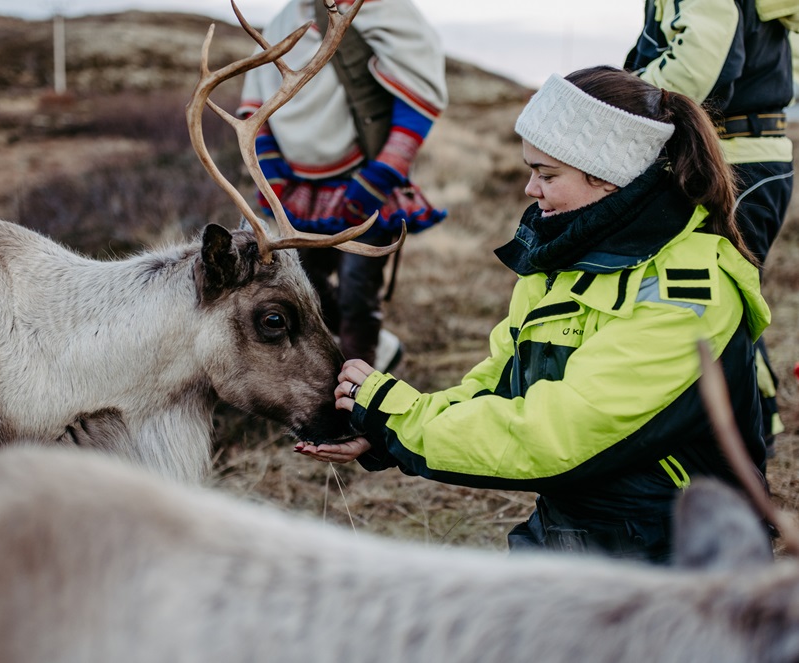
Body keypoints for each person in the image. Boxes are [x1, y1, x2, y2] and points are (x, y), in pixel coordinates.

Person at [295, 66, 773, 564]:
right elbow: (497, 389)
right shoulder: (561, 260)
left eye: (547, 174)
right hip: (582, 532)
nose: (529, 189)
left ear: (610, 176)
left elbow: (554, 435)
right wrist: (383, 433)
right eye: (530, 170)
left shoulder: (688, 294)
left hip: (685, 556)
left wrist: (397, 417)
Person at [236, 0, 448, 372]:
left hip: (363, 183)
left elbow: (418, 102)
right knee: (302, 284)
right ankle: (376, 350)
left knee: (356, 292)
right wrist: (270, 166)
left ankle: (359, 395)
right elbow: (257, 105)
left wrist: (379, 177)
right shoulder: (286, 19)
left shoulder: (388, 10)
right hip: (299, 188)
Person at [624, 0, 797, 454]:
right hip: (748, 152)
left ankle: (740, 440)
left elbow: (707, 62)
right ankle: (755, 428)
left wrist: (618, 103)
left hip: (729, 158)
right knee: (726, 296)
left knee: (710, 298)